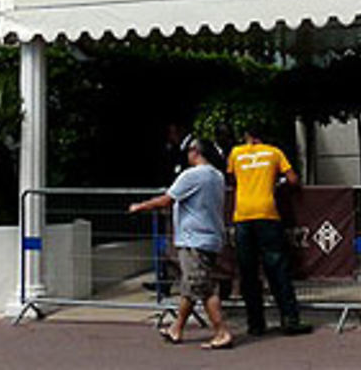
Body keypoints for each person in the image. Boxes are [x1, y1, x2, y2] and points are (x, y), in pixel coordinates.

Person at [128, 135, 233, 349]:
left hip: (194, 238)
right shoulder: (217, 176)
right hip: (211, 236)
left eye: (189, 152)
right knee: (190, 286)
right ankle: (177, 328)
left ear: (195, 152)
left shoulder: (193, 175)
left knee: (203, 287)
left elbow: (168, 199)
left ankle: (221, 332)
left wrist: (140, 206)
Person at [227, 126, 311, 338]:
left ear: (247, 136)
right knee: (277, 268)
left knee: (248, 272)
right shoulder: (274, 152)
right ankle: (290, 319)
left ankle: (255, 324)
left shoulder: (236, 153)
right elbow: (293, 180)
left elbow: (231, 179)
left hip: (243, 216)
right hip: (267, 213)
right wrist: (277, 182)